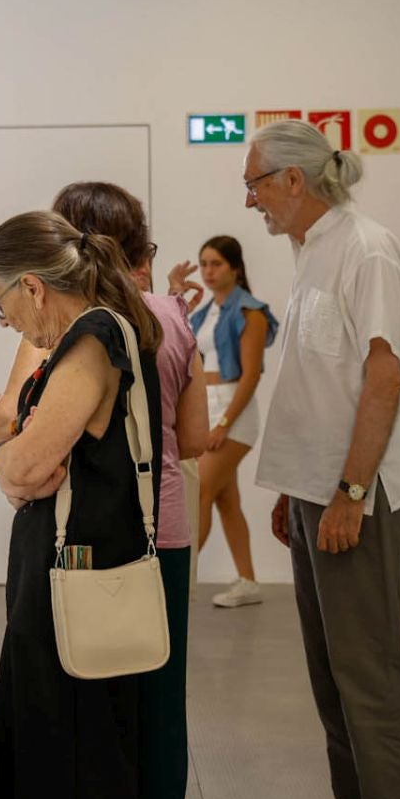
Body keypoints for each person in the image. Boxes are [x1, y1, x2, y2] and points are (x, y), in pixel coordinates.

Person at [245, 119, 400, 799]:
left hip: (357, 496)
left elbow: (384, 378)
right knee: (331, 665)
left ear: (295, 181)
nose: (250, 198)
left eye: (256, 181)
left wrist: (352, 492)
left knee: (368, 665)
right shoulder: (312, 252)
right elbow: (316, 385)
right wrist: (298, 489)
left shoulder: (366, 249)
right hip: (318, 492)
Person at [0, 211, 164, 799]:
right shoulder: (83, 340)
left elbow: (27, 465)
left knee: (91, 774)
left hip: (81, 587)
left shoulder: (94, 339)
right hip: (53, 580)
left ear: (33, 287)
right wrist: (10, 448)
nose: (4, 319)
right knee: (49, 764)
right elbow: (25, 466)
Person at [46, 182, 209, 799]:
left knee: (92, 690)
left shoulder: (81, 327)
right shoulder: (173, 318)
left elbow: (43, 443)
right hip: (167, 530)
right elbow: (198, 437)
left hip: (96, 533)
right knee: (161, 690)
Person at [170, 237, 279, 608]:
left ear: (235, 267)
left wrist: (224, 424)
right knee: (225, 500)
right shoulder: (204, 313)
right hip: (209, 407)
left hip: (235, 413)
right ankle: (248, 581)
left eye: (216, 263)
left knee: (198, 493)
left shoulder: (252, 313)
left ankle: (178, 581)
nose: (208, 271)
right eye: (204, 264)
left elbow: (250, 377)